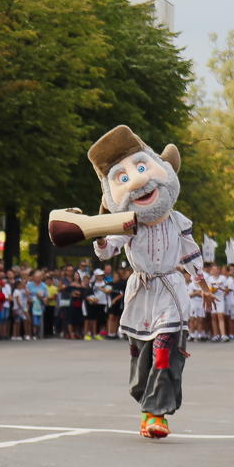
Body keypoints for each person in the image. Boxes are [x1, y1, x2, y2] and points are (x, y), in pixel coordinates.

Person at [87, 125, 213, 439]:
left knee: (165, 348)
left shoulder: (178, 221)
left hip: (170, 289)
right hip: (141, 292)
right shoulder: (128, 223)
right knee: (142, 356)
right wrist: (99, 237)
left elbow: (190, 254)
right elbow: (108, 250)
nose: (139, 183)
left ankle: (158, 414)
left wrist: (203, 286)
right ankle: (147, 408)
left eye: (142, 169)